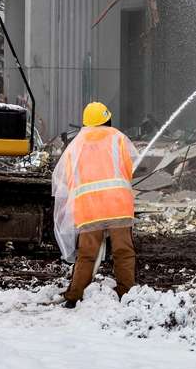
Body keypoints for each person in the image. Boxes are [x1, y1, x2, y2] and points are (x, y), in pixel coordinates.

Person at [52, 101, 137, 307]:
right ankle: (126, 292)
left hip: (89, 209)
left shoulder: (76, 145)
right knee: (123, 252)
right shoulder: (117, 137)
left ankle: (75, 294)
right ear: (107, 120)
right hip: (118, 205)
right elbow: (129, 166)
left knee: (87, 254)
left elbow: (65, 178)